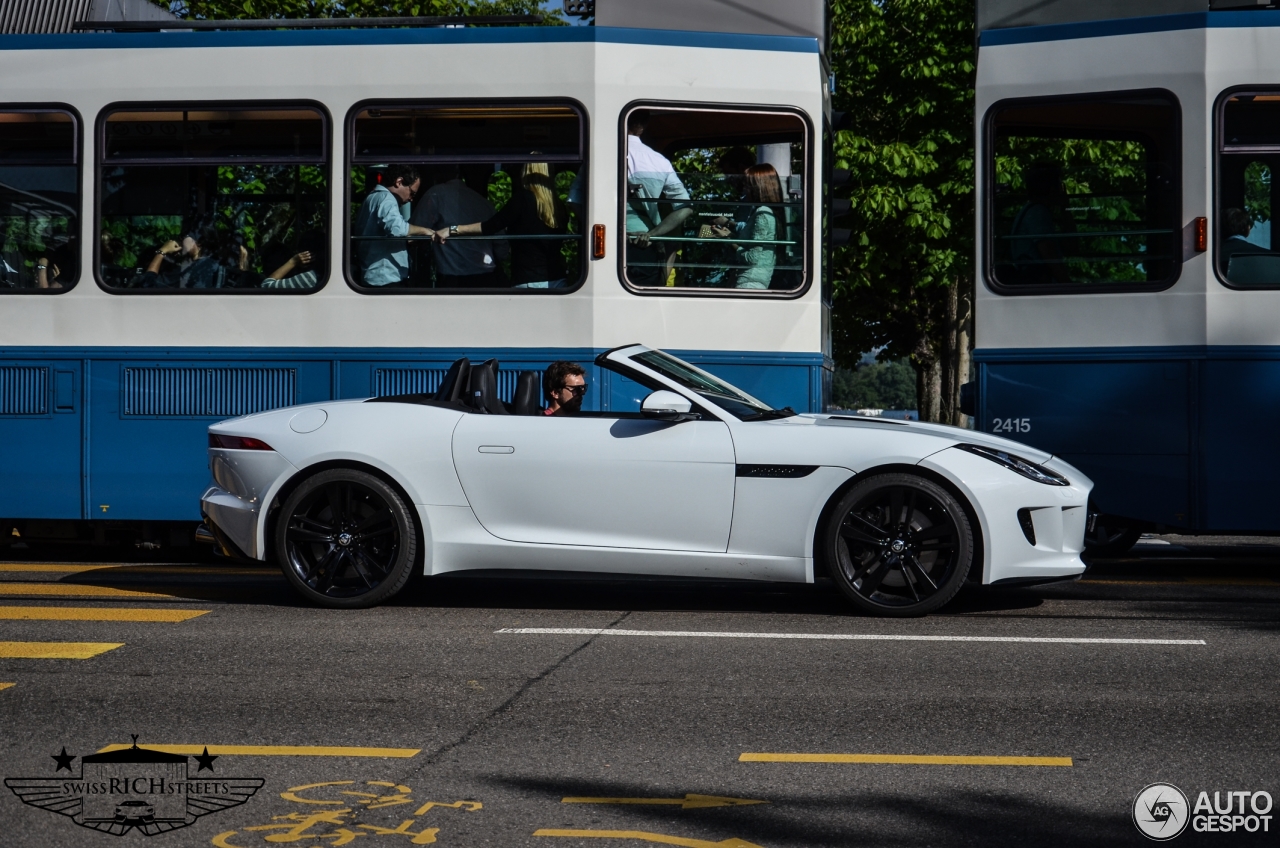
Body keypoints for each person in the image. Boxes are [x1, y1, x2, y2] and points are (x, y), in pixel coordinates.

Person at [437, 163, 570, 289]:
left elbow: (490, 226)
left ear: (526, 172)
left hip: (529, 281)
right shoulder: (559, 206)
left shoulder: (522, 200)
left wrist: (452, 230)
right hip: (557, 281)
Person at [625, 110, 693, 286]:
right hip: (642, 245)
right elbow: (685, 206)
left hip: (602, 242)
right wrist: (651, 235)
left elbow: (575, 201)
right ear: (643, 127)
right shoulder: (658, 160)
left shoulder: (596, 155)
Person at [412, 166, 506, 288]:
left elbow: (414, 230)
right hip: (486, 276)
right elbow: (502, 246)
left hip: (453, 278)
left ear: (437, 175)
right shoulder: (483, 202)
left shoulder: (435, 194)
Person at [354, 165, 434, 287]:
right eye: (412, 193)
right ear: (399, 182)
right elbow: (396, 228)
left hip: (375, 274)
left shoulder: (372, 198)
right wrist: (425, 231)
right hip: (385, 277)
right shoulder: (386, 198)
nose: (411, 199)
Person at [711, 163, 784, 289]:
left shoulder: (762, 214)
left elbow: (752, 257)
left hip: (750, 282)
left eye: (748, 185)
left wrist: (728, 238)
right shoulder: (766, 212)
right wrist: (730, 234)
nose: (745, 189)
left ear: (758, 187)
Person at [1008, 163, 1075, 286]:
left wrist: (1065, 208)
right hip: (1041, 283)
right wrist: (1067, 284)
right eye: (1058, 185)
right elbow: (1048, 253)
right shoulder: (1038, 213)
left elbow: (1070, 246)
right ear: (1050, 188)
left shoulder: (1032, 210)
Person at [136, 225, 228, 288]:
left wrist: (161, 252)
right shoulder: (212, 265)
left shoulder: (188, 271)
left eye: (184, 236)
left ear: (199, 242)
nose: (181, 240)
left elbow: (147, 284)